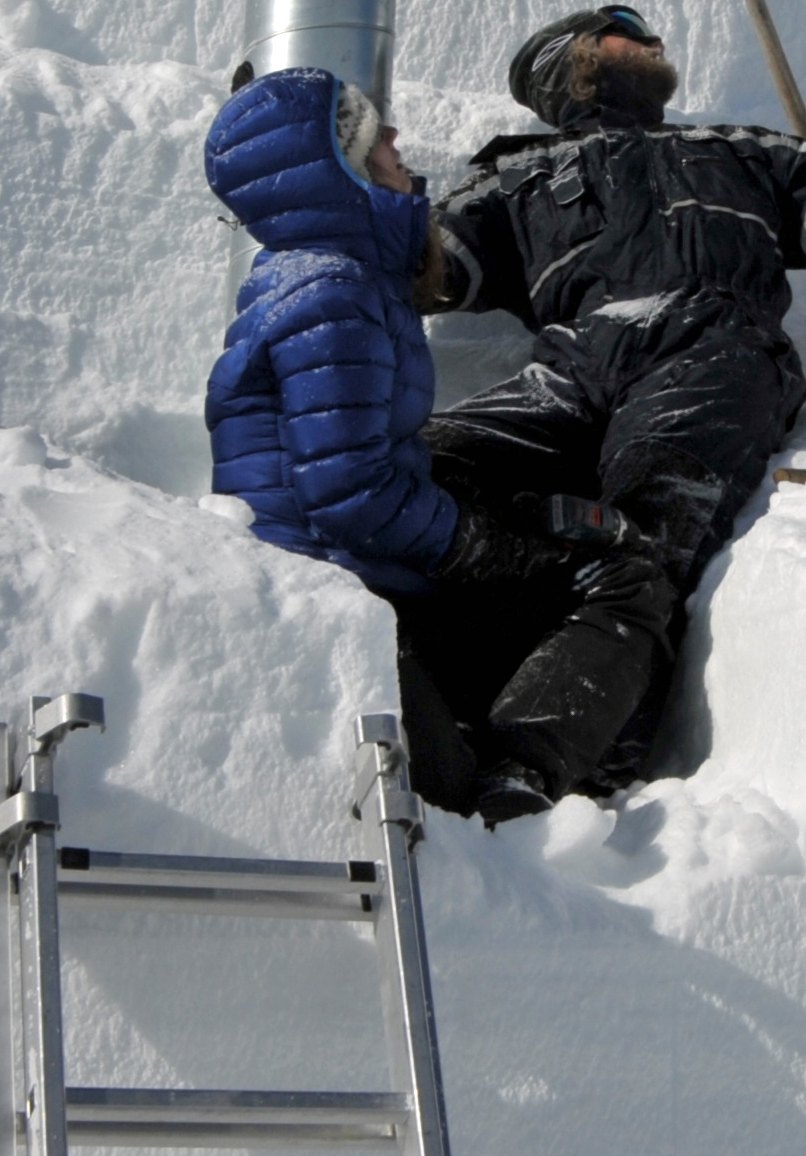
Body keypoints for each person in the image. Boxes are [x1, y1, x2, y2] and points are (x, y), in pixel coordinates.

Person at [408, 0, 806, 823]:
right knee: (423, 463)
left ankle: (567, 761)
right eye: (628, 29)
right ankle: (463, 672)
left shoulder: (736, 147)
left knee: (652, 515)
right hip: (574, 365)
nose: (653, 39)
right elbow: (430, 270)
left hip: (711, 346)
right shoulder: (512, 174)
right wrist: (330, 177)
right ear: (570, 58)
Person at [200, 64, 620, 812]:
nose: (395, 138)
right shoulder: (333, 295)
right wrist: (481, 547)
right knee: (607, 579)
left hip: (366, 578)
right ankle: (522, 798)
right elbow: (347, 493)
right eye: (366, 133)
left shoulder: (329, 282)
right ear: (336, 172)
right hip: (352, 595)